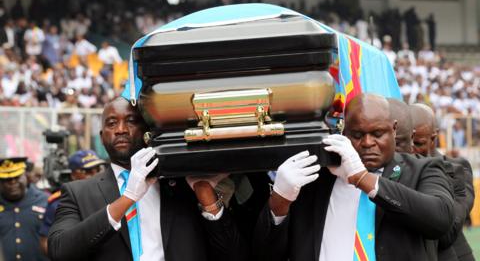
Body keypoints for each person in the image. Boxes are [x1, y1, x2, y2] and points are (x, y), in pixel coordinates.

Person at [254, 93, 454, 261]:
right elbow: (267, 253)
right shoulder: (317, 178)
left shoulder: (422, 168)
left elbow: (440, 221)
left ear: (393, 130)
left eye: (377, 133)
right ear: (344, 132)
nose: (367, 143)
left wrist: (362, 178)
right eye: (357, 135)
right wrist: (279, 202)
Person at [48, 97, 244, 261]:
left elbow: (232, 253)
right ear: (101, 136)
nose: (121, 129)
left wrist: (205, 195)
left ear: (146, 132)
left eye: (131, 121)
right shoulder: (77, 192)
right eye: (111, 123)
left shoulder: (181, 186)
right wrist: (128, 198)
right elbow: (59, 251)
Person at [411, 103, 475, 261]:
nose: (410, 150)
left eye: (418, 143)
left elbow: (447, 233)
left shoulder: (457, 168)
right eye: (405, 141)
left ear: (433, 138)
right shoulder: (398, 168)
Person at [39, 149, 106, 255]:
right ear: (73, 175)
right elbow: (45, 242)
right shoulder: (58, 202)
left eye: (97, 170)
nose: (95, 175)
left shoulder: (110, 194)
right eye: (87, 171)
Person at [0, 157, 49, 261]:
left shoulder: (46, 201)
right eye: (6, 179)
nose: (12, 182)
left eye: (17, 177)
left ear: (26, 176)